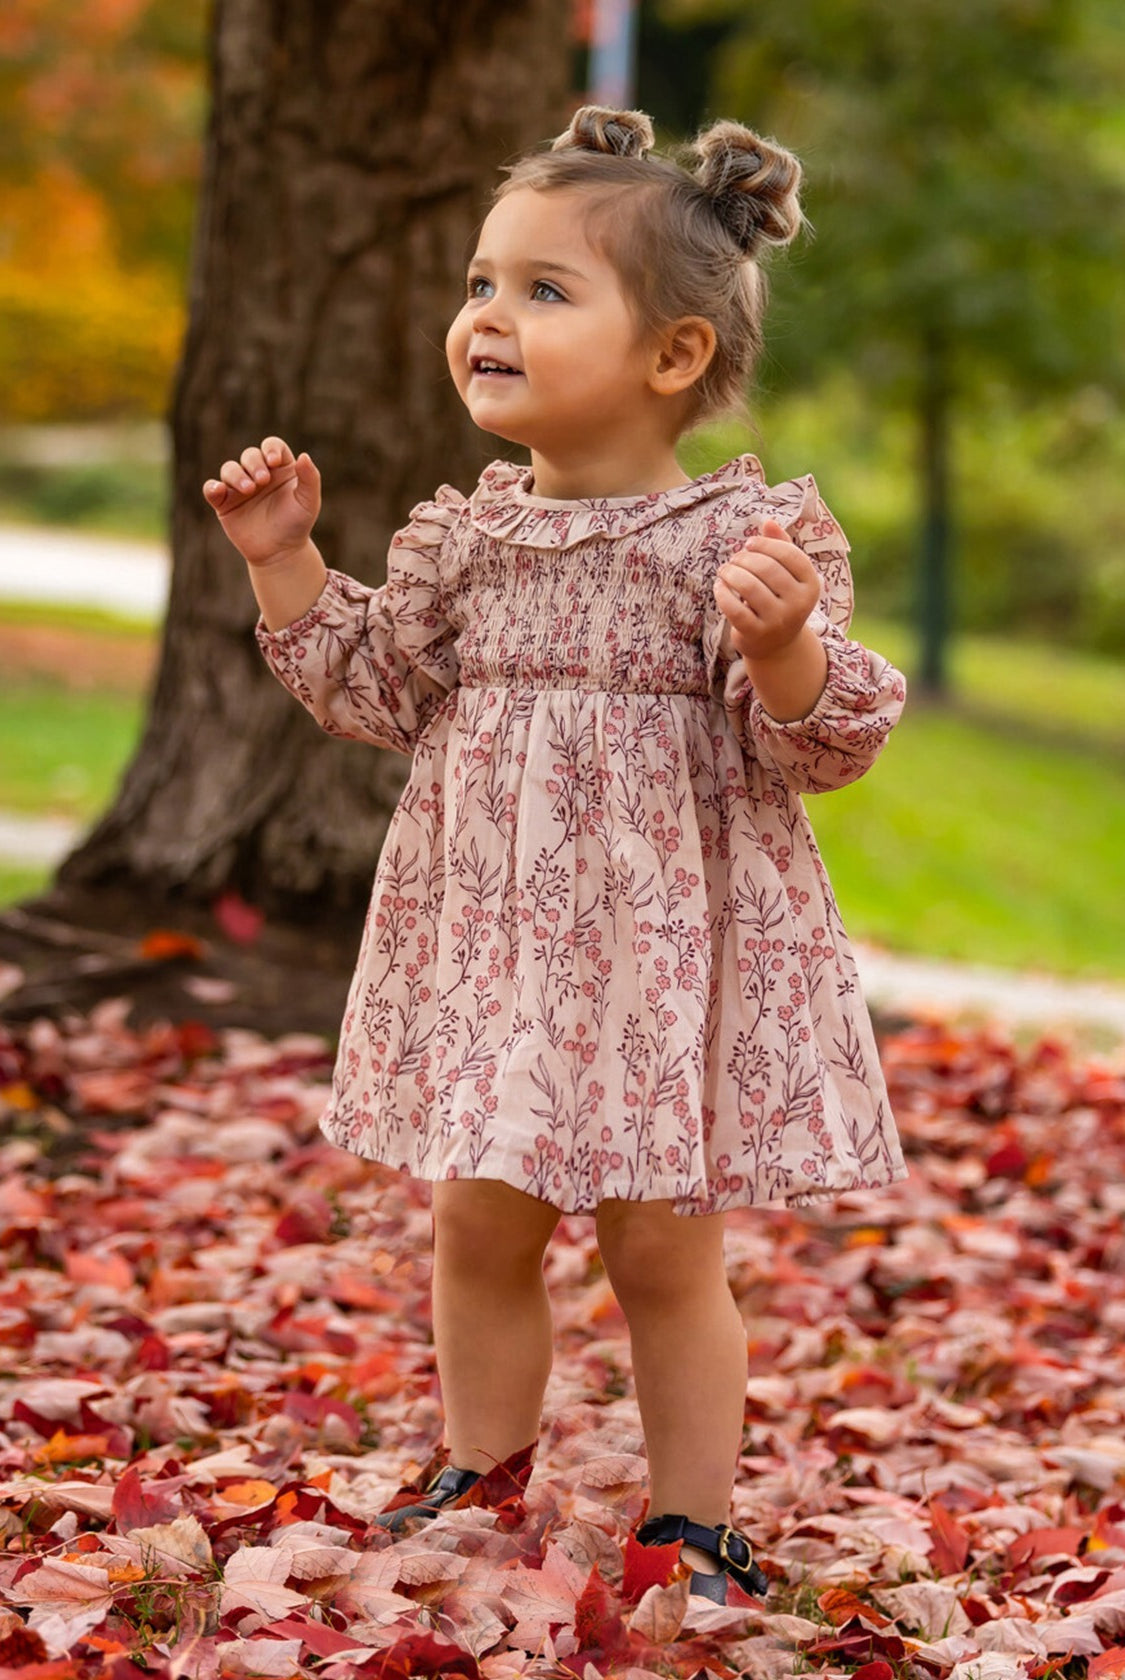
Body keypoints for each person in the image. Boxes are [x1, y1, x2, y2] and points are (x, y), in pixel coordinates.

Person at [203, 104, 907, 1605]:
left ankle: (692, 1520)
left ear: (671, 359)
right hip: (501, 951)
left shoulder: (740, 541)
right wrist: (285, 562)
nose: (486, 318)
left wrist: (780, 645)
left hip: (654, 966)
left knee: (660, 1250)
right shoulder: (465, 543)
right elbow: (374, 693)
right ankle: (481, 1459)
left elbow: (820, 745)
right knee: (477, 1218)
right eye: (477, 283)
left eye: (541, 289)